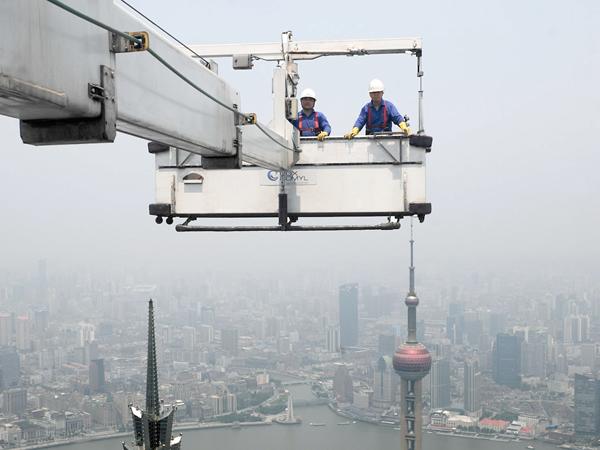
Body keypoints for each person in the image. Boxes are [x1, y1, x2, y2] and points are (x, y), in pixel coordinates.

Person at [344, 79, 410, 139]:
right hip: (370, 141)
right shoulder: (366, 108)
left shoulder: (389, 106)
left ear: (382, 93)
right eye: (373, 93)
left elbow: (397, 117)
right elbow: (360, 121)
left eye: (378, 92)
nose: (376, 95)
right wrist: (354, 131)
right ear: (369, 94)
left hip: (386, 140)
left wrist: (404, 127)